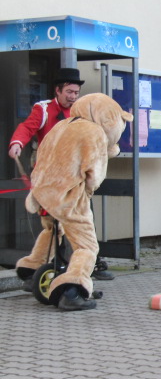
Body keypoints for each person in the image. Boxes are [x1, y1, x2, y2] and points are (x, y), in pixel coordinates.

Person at [15, 94, 133, 310]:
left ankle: (32, 267)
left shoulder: (62, 126)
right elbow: (94, 173)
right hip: (69, 196)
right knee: (86, 246)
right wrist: (87, 191)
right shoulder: (94, 132)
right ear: (107, 117)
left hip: (44, 192)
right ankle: (72, 290)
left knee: (53, 230)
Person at [8, 67, 114, 282]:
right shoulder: (44, 109)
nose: (73, 97)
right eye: (69, 92)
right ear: (58, 90)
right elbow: (27, 127)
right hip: (52, 178)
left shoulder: (81, 112)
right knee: (53, 225)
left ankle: (91, 264)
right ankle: (49, 266)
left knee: (84, 223)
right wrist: (17, 143)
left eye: (76, 93)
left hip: (76, 180)